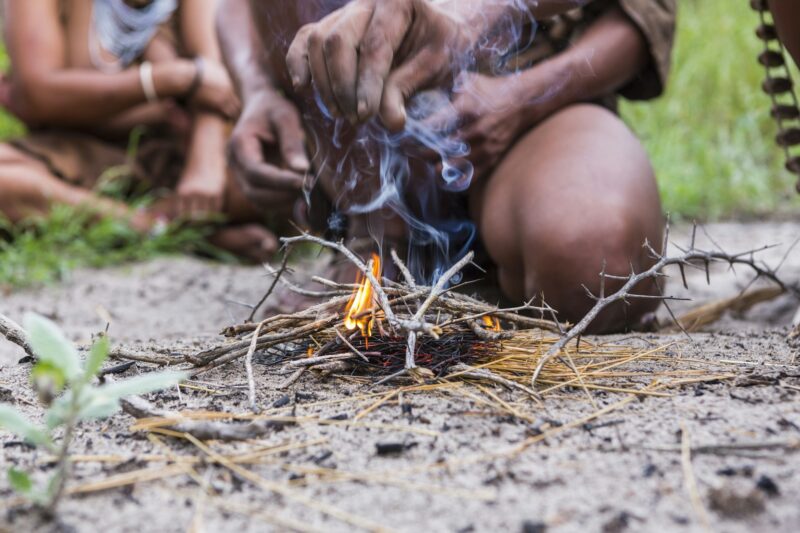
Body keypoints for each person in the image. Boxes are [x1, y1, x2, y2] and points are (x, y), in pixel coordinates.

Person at [218, 0, 676, 332]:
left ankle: (493, 245)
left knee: (595, 269)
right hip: (356, 141)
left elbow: (639, 15)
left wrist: (514, 89)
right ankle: (377, 245)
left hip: (532, 93)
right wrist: (259, 92)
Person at [0, 0, 287, 262]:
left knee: (281, 167)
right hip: (69, 151)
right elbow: (37, 95)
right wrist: (172, 79)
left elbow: (217, 80)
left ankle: (169, 221)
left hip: (177, 158)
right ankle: (162, 228)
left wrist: (205, 164)